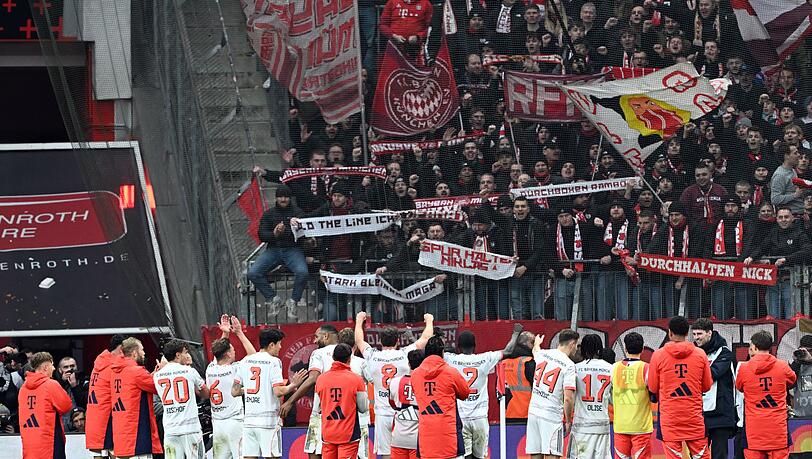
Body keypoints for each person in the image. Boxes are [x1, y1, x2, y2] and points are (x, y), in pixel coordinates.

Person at [354, 311, 433, 459]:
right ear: (397, 341)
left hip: (382, 414)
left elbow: (359, 340)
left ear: (380, 341)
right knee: (408, 453)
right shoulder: (404, 354)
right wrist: (429, 320)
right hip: (404, 412)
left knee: (386, 454)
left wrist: (359, 321)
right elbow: (425, 339)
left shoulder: (372, 356)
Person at [444, 325, 522, 459]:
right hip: (480, 417)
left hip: (461, 416)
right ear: (474, 345)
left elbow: (428, 352)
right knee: (479, 457)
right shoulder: (484, 358)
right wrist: (515, 333)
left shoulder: (451, 359)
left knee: (464, 456)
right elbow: (508, 351)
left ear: (459, 346)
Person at [232, 328, 307, 459]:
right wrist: (294, 384)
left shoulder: (244, 361)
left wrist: (251, 389)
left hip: (249, 421)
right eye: (279, 343)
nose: (280, 347)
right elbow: (279, 391)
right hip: (268, 422)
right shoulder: (273, 362)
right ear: (271, 344)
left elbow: (235, 391)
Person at [648, 316, 713, 459]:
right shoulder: (700, 354)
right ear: (687, 333)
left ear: (670, 333)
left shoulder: (658, 355)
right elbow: (707, 386)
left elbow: (652, 387)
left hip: (669, 418)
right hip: (694, 418)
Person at [247, 184, 307, 320]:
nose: (283, 199)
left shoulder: (297, 212)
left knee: (303, 273)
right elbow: (262, 234)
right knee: (253, 273)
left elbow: (305, 232)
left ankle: (293, 301)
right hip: (274, 249)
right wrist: (274, 234)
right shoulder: (269, 214)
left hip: (292, 249)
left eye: (286, 197)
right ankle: (273, 298)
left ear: (290, 198)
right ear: (276, 198)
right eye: (281, 197)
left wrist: (296, 225)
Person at [279, 324, 340, 458]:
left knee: (313, 450)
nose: (314, 341)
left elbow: (312, 379)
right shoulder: (349, 353)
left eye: (316, 337)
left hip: (322, 411)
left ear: (326, 336)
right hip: (345, 413)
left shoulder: (319, 353)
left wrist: (290, 401)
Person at [735, 331, 797, 459]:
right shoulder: (782, 366)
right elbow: (792, 380)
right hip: (778, 430)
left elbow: (739, 387)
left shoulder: (744, 368)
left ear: (755, 347)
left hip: (753, 432)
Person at [744, 206, 812, 318]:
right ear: (776, 219)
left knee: (791, 318)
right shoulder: (773, 233)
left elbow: (808, 251)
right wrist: (751, 257)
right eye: (780, 217)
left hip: (791, 282)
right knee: (772, 317)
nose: (783, 220)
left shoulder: (799, 234)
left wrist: (787, 259)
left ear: (792, 218)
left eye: (786, 217)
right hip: (773, 282)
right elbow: (762, 247)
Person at [411, 334, 471, 459]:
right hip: (450, 438)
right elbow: (465, 393)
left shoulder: (415, 375)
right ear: (442, 353)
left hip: (425, 440)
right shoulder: (451, 372)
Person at [205, 315, 257, 459]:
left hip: (218, 424)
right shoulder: (235, 369)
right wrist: (239, 332)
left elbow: (218, 351)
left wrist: (225, 332)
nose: (235, 351)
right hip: (234, 422)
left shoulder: (210, 368)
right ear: (228, 353)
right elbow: (254, 356)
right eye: (232, 349)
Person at [153, 339, 210, 459]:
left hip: (170, 430)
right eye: (185, 352)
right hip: (191, 428)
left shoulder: (157, 375)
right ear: (178, 355)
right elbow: (206, 393)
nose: (188, 355)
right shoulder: (189, 371)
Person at [526, 329, 578, 459]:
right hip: (551, 416)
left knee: (536, 454)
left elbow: (535, 350)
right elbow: (568, 398)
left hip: (533, 412)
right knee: (552, 454)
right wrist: (568, 420)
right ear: (571, 344)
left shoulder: (543, 354)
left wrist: (537, 342)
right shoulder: (569, 365)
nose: (576, 349)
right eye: (576, 345)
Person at [313, 343, 370, 459]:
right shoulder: (356, 379)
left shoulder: (321, 379)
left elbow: (316, 408)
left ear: (333, 358)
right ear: (349, 359)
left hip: (328, 433)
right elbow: (363, 408)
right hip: (348, 434)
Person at [111, 338, 163, 458]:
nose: (144, 353)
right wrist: (164, 371)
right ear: (135, 352)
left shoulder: (116, 371)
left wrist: (152, 375)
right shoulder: (137, 372)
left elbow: (137, 385)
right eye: (142, 349)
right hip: (137, 435)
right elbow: (159, 388)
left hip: (122, 435)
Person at [692, 318, 736, 459]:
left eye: (699, 334)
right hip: (699, 412)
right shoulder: (693, 353)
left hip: (721, 412)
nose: (696, 338)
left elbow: (713, 374)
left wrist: (692, 372)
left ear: (709, 333)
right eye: (694, 334)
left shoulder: (724, 352)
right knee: (698, 455)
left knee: (720, 455)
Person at [18, 352, 72, 459]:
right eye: (52, 365)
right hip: (49, 441)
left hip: (30, 443)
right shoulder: (51, 384)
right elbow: (66, 406)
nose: (54, 368)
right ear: (46, 367)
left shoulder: (23, 388)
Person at [570, 334, 612, 459]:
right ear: (600, 348)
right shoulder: (610, 368)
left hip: (582, 427)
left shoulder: (575, 369)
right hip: (602, 425)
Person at [611, 332, 653, 459]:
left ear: (625, 348)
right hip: (641, 426)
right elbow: (654, 391)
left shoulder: (614, 368)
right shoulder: (646, 368)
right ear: (642, 348)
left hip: (621, 425)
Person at [85, 334, 126, 458]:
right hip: (107, 418)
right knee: (116, 453)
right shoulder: (114, 367)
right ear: (120, 349)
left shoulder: (99, 364)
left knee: (98, 454)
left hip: (95, 419)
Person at [388, 349, 425, 459]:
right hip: (417, 439)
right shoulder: (426, 384)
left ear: (409, 363)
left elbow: (392, 404)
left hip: (398, 437)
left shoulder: (394, 382)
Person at [503, 331, 536, 422]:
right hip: (527, 414)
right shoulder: (529, 362)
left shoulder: (504, 363)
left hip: (507, 414)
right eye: (533, 342)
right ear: (526, 344)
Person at [55, 356, 89, 430]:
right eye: (66, 367)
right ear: (60, 370)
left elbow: (84, 403)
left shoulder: (85, 382)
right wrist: (62, 383)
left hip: (81, 425)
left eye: (72, 366)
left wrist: (75, 387)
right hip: (63, 425)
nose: (70, 369)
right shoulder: (55, 384)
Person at [771, 144, 806, 215]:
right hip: (791, 217)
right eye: (795, 153)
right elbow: (775, 199)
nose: (799, 155)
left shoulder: (792, 170)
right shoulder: (780, 175)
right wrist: (794, 195)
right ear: (786, 156)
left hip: (800, 213)